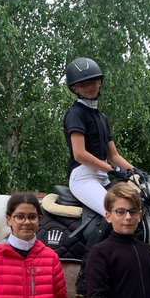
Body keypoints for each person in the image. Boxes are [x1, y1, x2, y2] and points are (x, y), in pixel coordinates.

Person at [63, 56, 134, 216]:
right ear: (75, 88)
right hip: (84, 178)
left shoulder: (102, 118)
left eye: (93, 82)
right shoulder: (75, 114)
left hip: (103, 176)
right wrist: (112, 169)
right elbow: (80, 154)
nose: (90, 87)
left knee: (138, 203)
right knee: (117, 214)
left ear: (100, 82)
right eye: (83, 84)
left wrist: (135, 171)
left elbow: (113, 155)